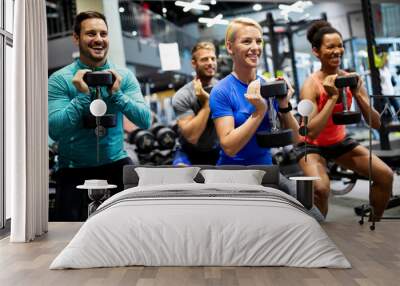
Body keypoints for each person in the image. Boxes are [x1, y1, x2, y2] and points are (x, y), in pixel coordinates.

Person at [48, 11, 151, 221]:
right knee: (67, 237)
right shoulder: (60, 79)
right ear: (76, 38)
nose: (98, 39)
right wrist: (82, 96)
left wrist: (118, 95)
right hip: (73, 168)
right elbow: (55, 129)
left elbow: (145, 120)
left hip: (114, 162)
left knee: (126, 230)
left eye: (103, 34)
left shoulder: (124, 76)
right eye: (91, 34)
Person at [293, 20, 393, 219]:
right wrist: (331, 98)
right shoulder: (310, 85)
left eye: (340, 46)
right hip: (311, 146)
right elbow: (310, 131)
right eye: (330, 46)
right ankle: (319, 239)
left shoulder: (350, 78)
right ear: (316, 51)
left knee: (385, 175)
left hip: (339, 142)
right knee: (321, 189)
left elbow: (376, 123)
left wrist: (357, 94)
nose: (337, 51)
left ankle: (375, 224)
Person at [209, 18, 304, 204]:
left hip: (265, 171)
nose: (255, 47)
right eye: (246, 41)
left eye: (258, 41)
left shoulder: (268, 87)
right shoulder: (221, 91)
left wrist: (284, 105)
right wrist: (259, 112)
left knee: (310, 210)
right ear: (230, 48)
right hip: (232, 175)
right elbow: (229, 146)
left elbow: (296, 139)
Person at [172, 42, 220, 165]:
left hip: (216, 150)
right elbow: (192, 137)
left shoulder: (223, 89)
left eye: (213, 59)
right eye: (204, 59)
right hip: (188, 152)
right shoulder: (183, 95)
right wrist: (207, 104)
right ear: (194, 63)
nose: (210, 62)